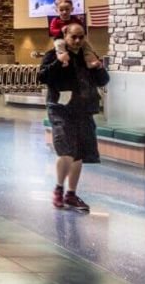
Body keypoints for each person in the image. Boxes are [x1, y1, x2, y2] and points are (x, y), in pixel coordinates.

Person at [39, 23, 107, 212]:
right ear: (65, 36)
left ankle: (71, 194)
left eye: (81, 37)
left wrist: (97, 67)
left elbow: (103, 80)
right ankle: (59, 189)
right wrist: (59, 61)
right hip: (60, 109)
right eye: (73, 37)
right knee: (66, 151)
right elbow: (42, 77)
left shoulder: (88, 56)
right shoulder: (54, 54)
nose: (77, 41)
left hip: (84, 110)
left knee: (78, 155)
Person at [49, 0, 100, 69]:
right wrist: (61, 30)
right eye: (61, 10)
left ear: (72, 9)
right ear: (57, 10)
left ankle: (89, 62)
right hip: (60, 38)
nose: (64, 12)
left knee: (87, 45)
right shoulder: (55, 20)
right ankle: (63, 60)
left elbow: (81, 28)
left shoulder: (75, 19)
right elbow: (52, 30)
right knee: (59, 44)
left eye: (67, 9)